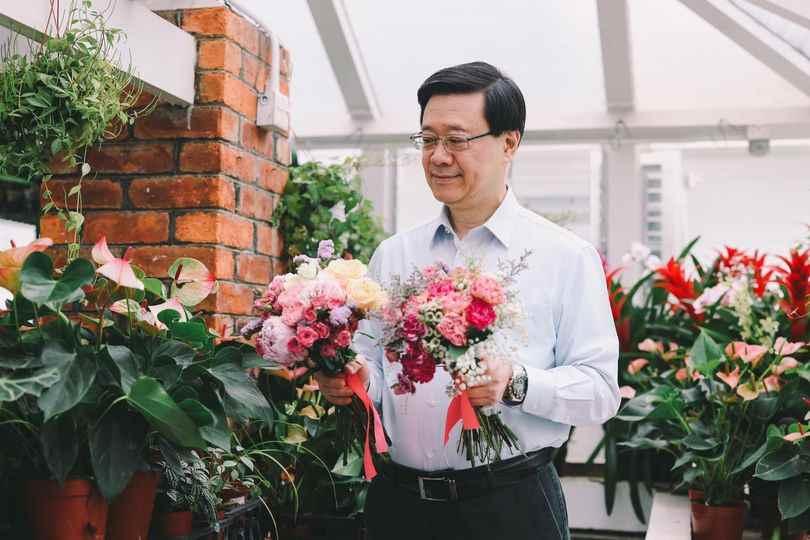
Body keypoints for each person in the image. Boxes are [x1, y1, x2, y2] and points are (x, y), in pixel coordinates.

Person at [315, 61, 620, 540]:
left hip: (510, 508)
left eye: (456, 140)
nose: (438, 156)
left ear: (509, 143)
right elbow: (373, 366)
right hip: (400, 505)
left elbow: (600, 392)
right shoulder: (395, 254)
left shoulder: (564, 256)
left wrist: (515, 382)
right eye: (427, 139)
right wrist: (352, 380)